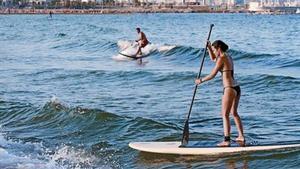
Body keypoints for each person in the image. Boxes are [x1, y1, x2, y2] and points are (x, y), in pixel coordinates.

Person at [195, 40, 245, 147]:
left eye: (214, 49)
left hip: (229, 88)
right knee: (234, 113)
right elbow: (213, 58)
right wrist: (209, 47)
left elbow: (212, 74)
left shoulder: (221, 58)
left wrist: (201, 80)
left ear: (219, 49)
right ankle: (241, 136)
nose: (213, 51)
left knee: (225, 115)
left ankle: (226, 140)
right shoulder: (228, 57)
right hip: (237, 87)